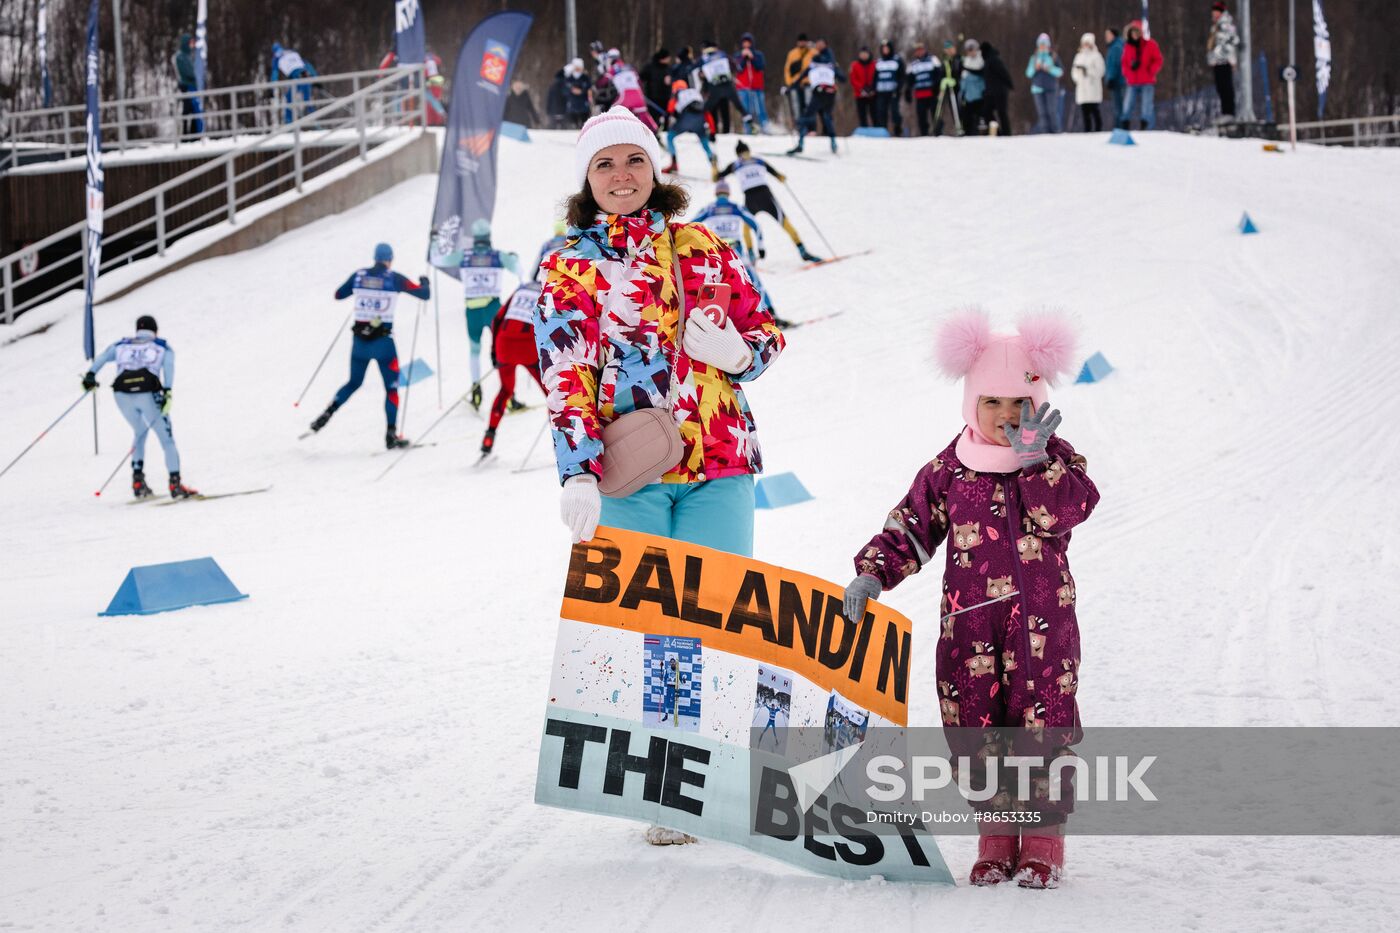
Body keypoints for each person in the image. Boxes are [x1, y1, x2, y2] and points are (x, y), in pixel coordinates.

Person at [842, 310, 1098, 888]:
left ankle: (1041, 843)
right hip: (969, 629)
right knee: (976, 731)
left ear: (1040, 402)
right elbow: (909, 527)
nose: (1007, 417)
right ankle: (995, 840)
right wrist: (872, 574)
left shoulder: (1058, 462)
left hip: (1042, 628)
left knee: (1041, 729)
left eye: (1020, 404)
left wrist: (1038, 462)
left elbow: (1068, 511)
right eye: (992, 403)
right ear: (970, 402)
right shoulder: (949, 470)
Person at [537, 102, 784, 595]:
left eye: (635, 159)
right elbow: (567, 375)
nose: (621, 175)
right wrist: (578, 473)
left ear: (654, 168)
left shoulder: (702, 245)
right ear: (588, 179)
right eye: (604, 164)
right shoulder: (566, 268)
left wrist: (739, 355)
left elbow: (765, 333)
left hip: (721, 461)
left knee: (718, 625)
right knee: (634, 635)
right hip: (629, 470)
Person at [309, 244, 430, 449]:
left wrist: (363, 293)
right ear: (389, 259)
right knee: (391, 390)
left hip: (360, 344)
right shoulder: (394, 278)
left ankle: (327, 413)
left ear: (375, 258)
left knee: (353, 383)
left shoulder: (359, 275)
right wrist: (424, 281)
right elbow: (424, 294)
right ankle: (391, 435)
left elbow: (338, 294)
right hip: (384, 344)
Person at [83, 315, 194, 499]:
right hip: (148, 393)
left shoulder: (122, 345)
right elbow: (168, 367)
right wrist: (167, 392)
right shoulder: (162, 346)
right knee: (166, 439)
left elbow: (102, 358)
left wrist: (90, 376)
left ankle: (137, 481)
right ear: (155, 330)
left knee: (139, 431)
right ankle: (175, 484)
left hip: (121, 393)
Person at [691, 181, 792, 328]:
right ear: (728, 193)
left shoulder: (709, 208)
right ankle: (769, 315)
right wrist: (761, 246)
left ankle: (712, 322)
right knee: (753, 282)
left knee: (716, 285)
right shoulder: (736, 207)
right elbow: (756, 225)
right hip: (735, 252)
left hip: (716, 251)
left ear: (716, 193)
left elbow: (691, 225)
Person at [714, 140, 820, 262]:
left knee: (747, 227)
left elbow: (717, 177)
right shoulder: (758, 160)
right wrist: (781, 177)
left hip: (750, 198)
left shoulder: (735, 164)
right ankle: (802, 250)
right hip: (766, 195)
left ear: (737, 154)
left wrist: (714, 165)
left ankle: (751, 254)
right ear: (748, 151)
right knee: (785, 222)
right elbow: (777, 174)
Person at [480, 278, 546, 458]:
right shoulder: (552, 288)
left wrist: (493, 351)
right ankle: (563, 444)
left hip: (504, 344)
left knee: (505, 390)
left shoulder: (522, 288)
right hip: (528, 347)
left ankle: (489, 437)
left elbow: (497, 319)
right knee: (553, 396)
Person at [459, 220, 520, 410]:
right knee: (503, 350)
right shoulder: (497, 256)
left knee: (474, 351)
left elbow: (441, 260)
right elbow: (518, 269)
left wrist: (435, 241)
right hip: (493, 308)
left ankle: (476, 391)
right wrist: (513, 258)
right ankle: (510, 397)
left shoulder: (464, 256)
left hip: (472, 311)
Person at [788, 39, 844, 155]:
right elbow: (843, 78)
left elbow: (800, 78)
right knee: (827, 117)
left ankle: (801, 144)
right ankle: (833, 143)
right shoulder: (830, 63)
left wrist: (791, 87)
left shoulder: (815, 63)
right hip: (830, 92)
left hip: (820, 92)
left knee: (807, 116)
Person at [664, 78, 717, 175]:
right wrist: (713, 131)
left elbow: (670, 109)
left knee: (670, 136)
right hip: (700, 121)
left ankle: (674, 163)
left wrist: (667, 119)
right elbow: (707, 113)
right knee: (704, 141)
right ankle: (711, 158)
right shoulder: (695, 93)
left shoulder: (677, 95)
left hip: (685, 119)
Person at [1119, 20, 1163, 130]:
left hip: (1147, 81)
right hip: (1132, 81)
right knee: (1127, 105)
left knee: (1146, 106)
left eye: (1137, 32)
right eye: (1132, 32)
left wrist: (1150, 71)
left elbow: (1158, 60)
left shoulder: (1150, 45)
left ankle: (1146, 128)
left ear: (1141, 33)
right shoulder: (1127, 47)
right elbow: (1124, 64)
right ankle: (1125, 126)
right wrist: (1129, 73)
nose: (1134, 34)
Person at [698, 42, 750, 134]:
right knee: (734, 107)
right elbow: (736, 67)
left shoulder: (705, 57)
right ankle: (747, 121)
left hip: (714, 89)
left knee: (710, 109)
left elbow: (697, 71)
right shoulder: (722, 54)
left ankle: (707, 127)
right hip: (727, 86)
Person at [601, 49, 657, 130]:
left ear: (611, 59)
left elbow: (603, 82)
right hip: (638, 94)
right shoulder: (629, 67)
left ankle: (608, 131)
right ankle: (655, 132)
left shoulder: (613, 69)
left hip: (625, 95)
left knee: (613, 111)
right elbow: (639, 82)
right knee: (643, 115)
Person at [1208, 2, 1242, 121]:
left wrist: (1231, 58)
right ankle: (1225, 112)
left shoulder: (1226, 25)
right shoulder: (1216, 26)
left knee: (1226, 87)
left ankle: (1229, 112)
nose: (1214, 13)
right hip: (1217, 61)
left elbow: (1235, 40)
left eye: (1216, 11)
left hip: (1225, 61)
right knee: (1221, 87)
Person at [1026, 33, 1065, 134]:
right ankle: (1045, 133)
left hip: (1051, 88)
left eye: (1044, 44)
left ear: (1048, 45)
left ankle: (1056, 131)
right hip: (1037, 88)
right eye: (1041, 44)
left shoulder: (1053, 56)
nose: (1042, 46)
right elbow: (1028, 73)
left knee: (1052, 111)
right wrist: (1035, 68)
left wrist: (1049, 68)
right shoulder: (1034, 58)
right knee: (1042, 113)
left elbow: (1060, 72)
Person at [270, 42, 317, 124]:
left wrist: (272, 87)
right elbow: (307, 64)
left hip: (295, 76)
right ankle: (314, 119)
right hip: (304, 73)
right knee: (307, 97)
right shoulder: (291, 52)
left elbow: (275, 73)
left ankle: (289, 121)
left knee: (289, 98)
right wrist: (315, 78)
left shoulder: (276, 57)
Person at [733, 33, 769, 135]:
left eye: (748, 42)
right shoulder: (738, 55)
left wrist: (752, 58)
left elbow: (760, 66)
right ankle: (748, 129)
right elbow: (738, 68)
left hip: (757, 86)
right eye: (744, 42)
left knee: (760, 108)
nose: (746, 44)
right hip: (743, 87)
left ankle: (764, 127)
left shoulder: (758, 55)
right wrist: (744, 59)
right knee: (746, 109)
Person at [905, 42, 941, 136]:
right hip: (920, 94)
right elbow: (909, 80)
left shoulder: (933, 59)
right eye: (917, 50)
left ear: (924, 50)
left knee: (936, 115)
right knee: (921, 117)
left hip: (932, 93)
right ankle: (924, 135)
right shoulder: (913, 64)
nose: (919, 52)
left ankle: (938, 133)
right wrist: (908, 91)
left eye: (921, 49)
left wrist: (936, 86)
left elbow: (939, 74)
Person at [1071, 33, 1106, 132]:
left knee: (1094, 110)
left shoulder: (1096, 56)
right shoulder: (1078, 56)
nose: (1085, 45)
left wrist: (1088, 71)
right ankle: (1087, 131)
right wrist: (1079, 76)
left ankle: (1098, 130)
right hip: (1082, 88)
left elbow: (1101, 71)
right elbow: (1073, 72)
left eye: (1087, 43)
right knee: (1084, 112)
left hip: (1093, 87)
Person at [981, 41, 1015, 135]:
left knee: (1002, 113)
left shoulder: (993, 59)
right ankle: (998, 132)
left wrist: (1010, 84)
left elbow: (1003, 72)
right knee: (987, 112)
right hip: (991, 92)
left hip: (1000, 92)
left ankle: (1006, 133)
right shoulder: (988, 60)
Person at [174, 33, 203, 138]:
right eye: (191, 42)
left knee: (194, 110)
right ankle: (186, 135)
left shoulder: (188, 56)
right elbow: (188, 73)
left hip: (192, 87)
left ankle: (194, 134)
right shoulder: (181, 57)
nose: (193, 45)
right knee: (187, 110)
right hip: (187, 87)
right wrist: (196, 75)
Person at [873, 40, 905, 137]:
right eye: (883, 48)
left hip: (893, 91)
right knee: (881, 111)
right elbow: (875, 77)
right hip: (881, 91)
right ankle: (883, 131)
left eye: (887, 48)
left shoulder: (897, 60)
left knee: (894, 111)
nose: (885, 50)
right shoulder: (879, 62)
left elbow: (902, 76)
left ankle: (898, 130)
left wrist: (899, 88)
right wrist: (874, 88)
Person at [782, 34, 815, 129]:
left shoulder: (812, 52)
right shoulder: (792, 53)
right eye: (800, 41)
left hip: (808, 83)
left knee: (809, 105)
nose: (802, 43)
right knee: (796, 106)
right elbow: (787, 69)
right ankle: (799, 126)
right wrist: (789, 83)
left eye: (804, 41)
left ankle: (810, 127)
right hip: (794, 83)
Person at [641, 49, 675, 131]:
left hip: (666, 97)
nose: (669, 59)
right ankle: (652, 131)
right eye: (668, 58)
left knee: (666, 115)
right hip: (652, 98)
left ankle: (665, 131)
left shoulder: (668, 68)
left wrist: (671, 80)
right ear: (662, 58)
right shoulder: (650, 67)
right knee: (653, 118)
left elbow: (674, 79)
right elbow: (641, 77)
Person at [960, 40, 988, 135]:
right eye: (968, 50)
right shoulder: (966, 61)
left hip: (979, 94)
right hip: (969, 96)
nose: (971, 52)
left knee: (981, 117)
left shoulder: (981, 59)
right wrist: (962, 92)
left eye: (972, 49)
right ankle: (968, 134)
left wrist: (984, 90)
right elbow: (964, 78)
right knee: (967, 118)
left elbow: (982, 74)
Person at [934, 39, 962, 135]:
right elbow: (941, 75)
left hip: (956, 89)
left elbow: (960, 73)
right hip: (945, 87)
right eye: (947, 49)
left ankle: (960, 127)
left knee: (957, 108)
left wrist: (956, 81)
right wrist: (941, 82)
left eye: (951, 48)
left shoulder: (959, 60)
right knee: (940, 108)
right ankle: (937, 129)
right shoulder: (944, 62)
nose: (949, 51)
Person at [849, 47, 876, 128]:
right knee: (862, 113)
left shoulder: (875, 64)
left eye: (865, 54)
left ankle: (876, 128)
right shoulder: (854, 65)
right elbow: (853, 79)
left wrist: (872, 88)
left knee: (874, 113)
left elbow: (876, 77)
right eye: (862, 54)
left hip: (872, 93)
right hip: (860, 94)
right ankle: (864, 129)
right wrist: (861, 89)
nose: (864, 56)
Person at [563, 58, 592, 128]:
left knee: (584, 122)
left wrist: (582, 92)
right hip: (572, 104)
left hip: (584, 105)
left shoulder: (585, 78)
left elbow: (589, 89)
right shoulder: (569, 78)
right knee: (573, 122)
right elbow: (564, 91)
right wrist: (571, 91)